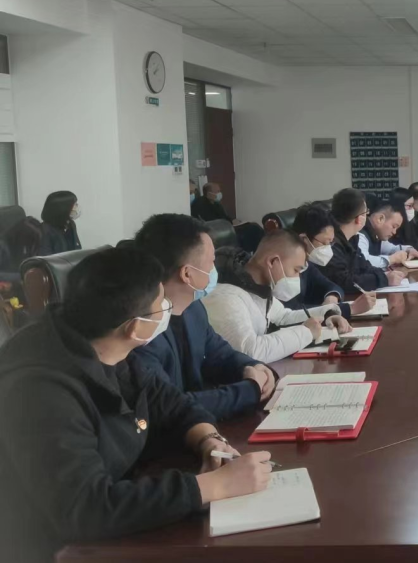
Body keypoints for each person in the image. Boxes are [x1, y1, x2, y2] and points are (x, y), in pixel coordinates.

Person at [0, 248, 271, 562]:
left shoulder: (109, 346)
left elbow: (173, 404)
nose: (168, 308)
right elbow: (85, 508)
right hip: (55, 549)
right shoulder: (40, 391)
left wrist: (210, 441)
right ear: (136, 327)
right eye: (162, 303)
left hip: (123, 514)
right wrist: (213, 487)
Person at [130, 214, 276, 420]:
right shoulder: (140, 330)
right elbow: (169, 407)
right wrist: (250, 390)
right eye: (211, 262)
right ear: (187, 274)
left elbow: (220, 354)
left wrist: (254, 367)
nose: (214, 270)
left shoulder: (193, 309)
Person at [202, 230, 352, 363]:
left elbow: (283, 317)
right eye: (296, 270)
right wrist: (306, 332)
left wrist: (327, 314)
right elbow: (250, 351)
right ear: (273, 262)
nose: (297, 278)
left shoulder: (256, 286)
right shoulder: (225, 296)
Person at [288, 203, 376, 317]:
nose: (328, 249)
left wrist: (332, 296)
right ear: (304, 239)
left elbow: (332, 286)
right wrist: (349, 309)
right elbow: (289, 312)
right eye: (324, 243)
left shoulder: (307, 264)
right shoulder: (285, 265)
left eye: (330, 243)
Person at [322, 188, 405, 292]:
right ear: (359, 218)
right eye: (366, 213)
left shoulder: (352, 239)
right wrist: (384, 279)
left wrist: (385, 275)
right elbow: (345, 281)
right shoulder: (330, 243)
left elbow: (364, 266)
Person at [359, 198, 418, 269]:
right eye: (394, 226)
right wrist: (391, 259)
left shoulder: (376, 235)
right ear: (380, 219)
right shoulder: (360, 234)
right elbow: (362, 261)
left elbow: (391, 248)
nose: (394, 232)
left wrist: (409, 250)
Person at [40, 190, 81, 255]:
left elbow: (77, 249)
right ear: (63, 208)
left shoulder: (70, 224)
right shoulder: (44, 230)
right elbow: (46, 257)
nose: (77, 207)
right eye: (75, 205)